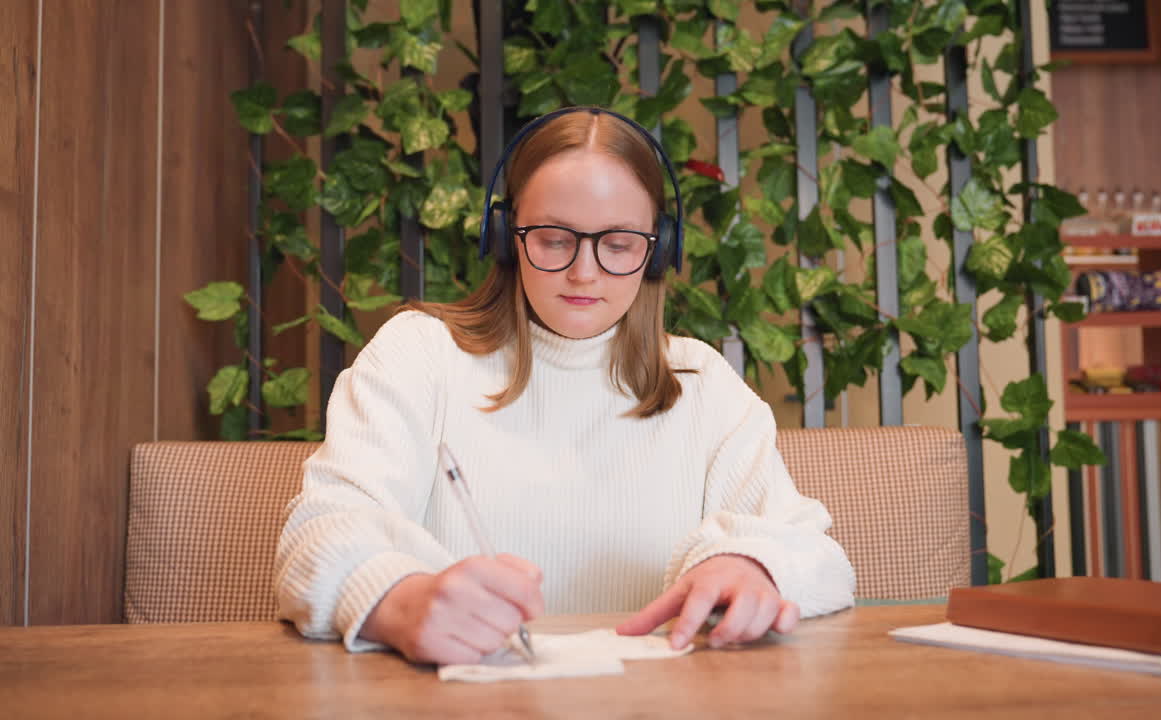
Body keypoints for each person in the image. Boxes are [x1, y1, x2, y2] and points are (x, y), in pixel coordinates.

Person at [274, 106, 856, 666]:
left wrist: (754, 565)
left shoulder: (702, 383)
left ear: (660, 252)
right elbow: (316, 535)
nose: (584, 272)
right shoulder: (420, 355)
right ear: (506, 237)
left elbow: (821, 558)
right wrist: (398, 603)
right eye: (554, 238)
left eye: (619, 243)